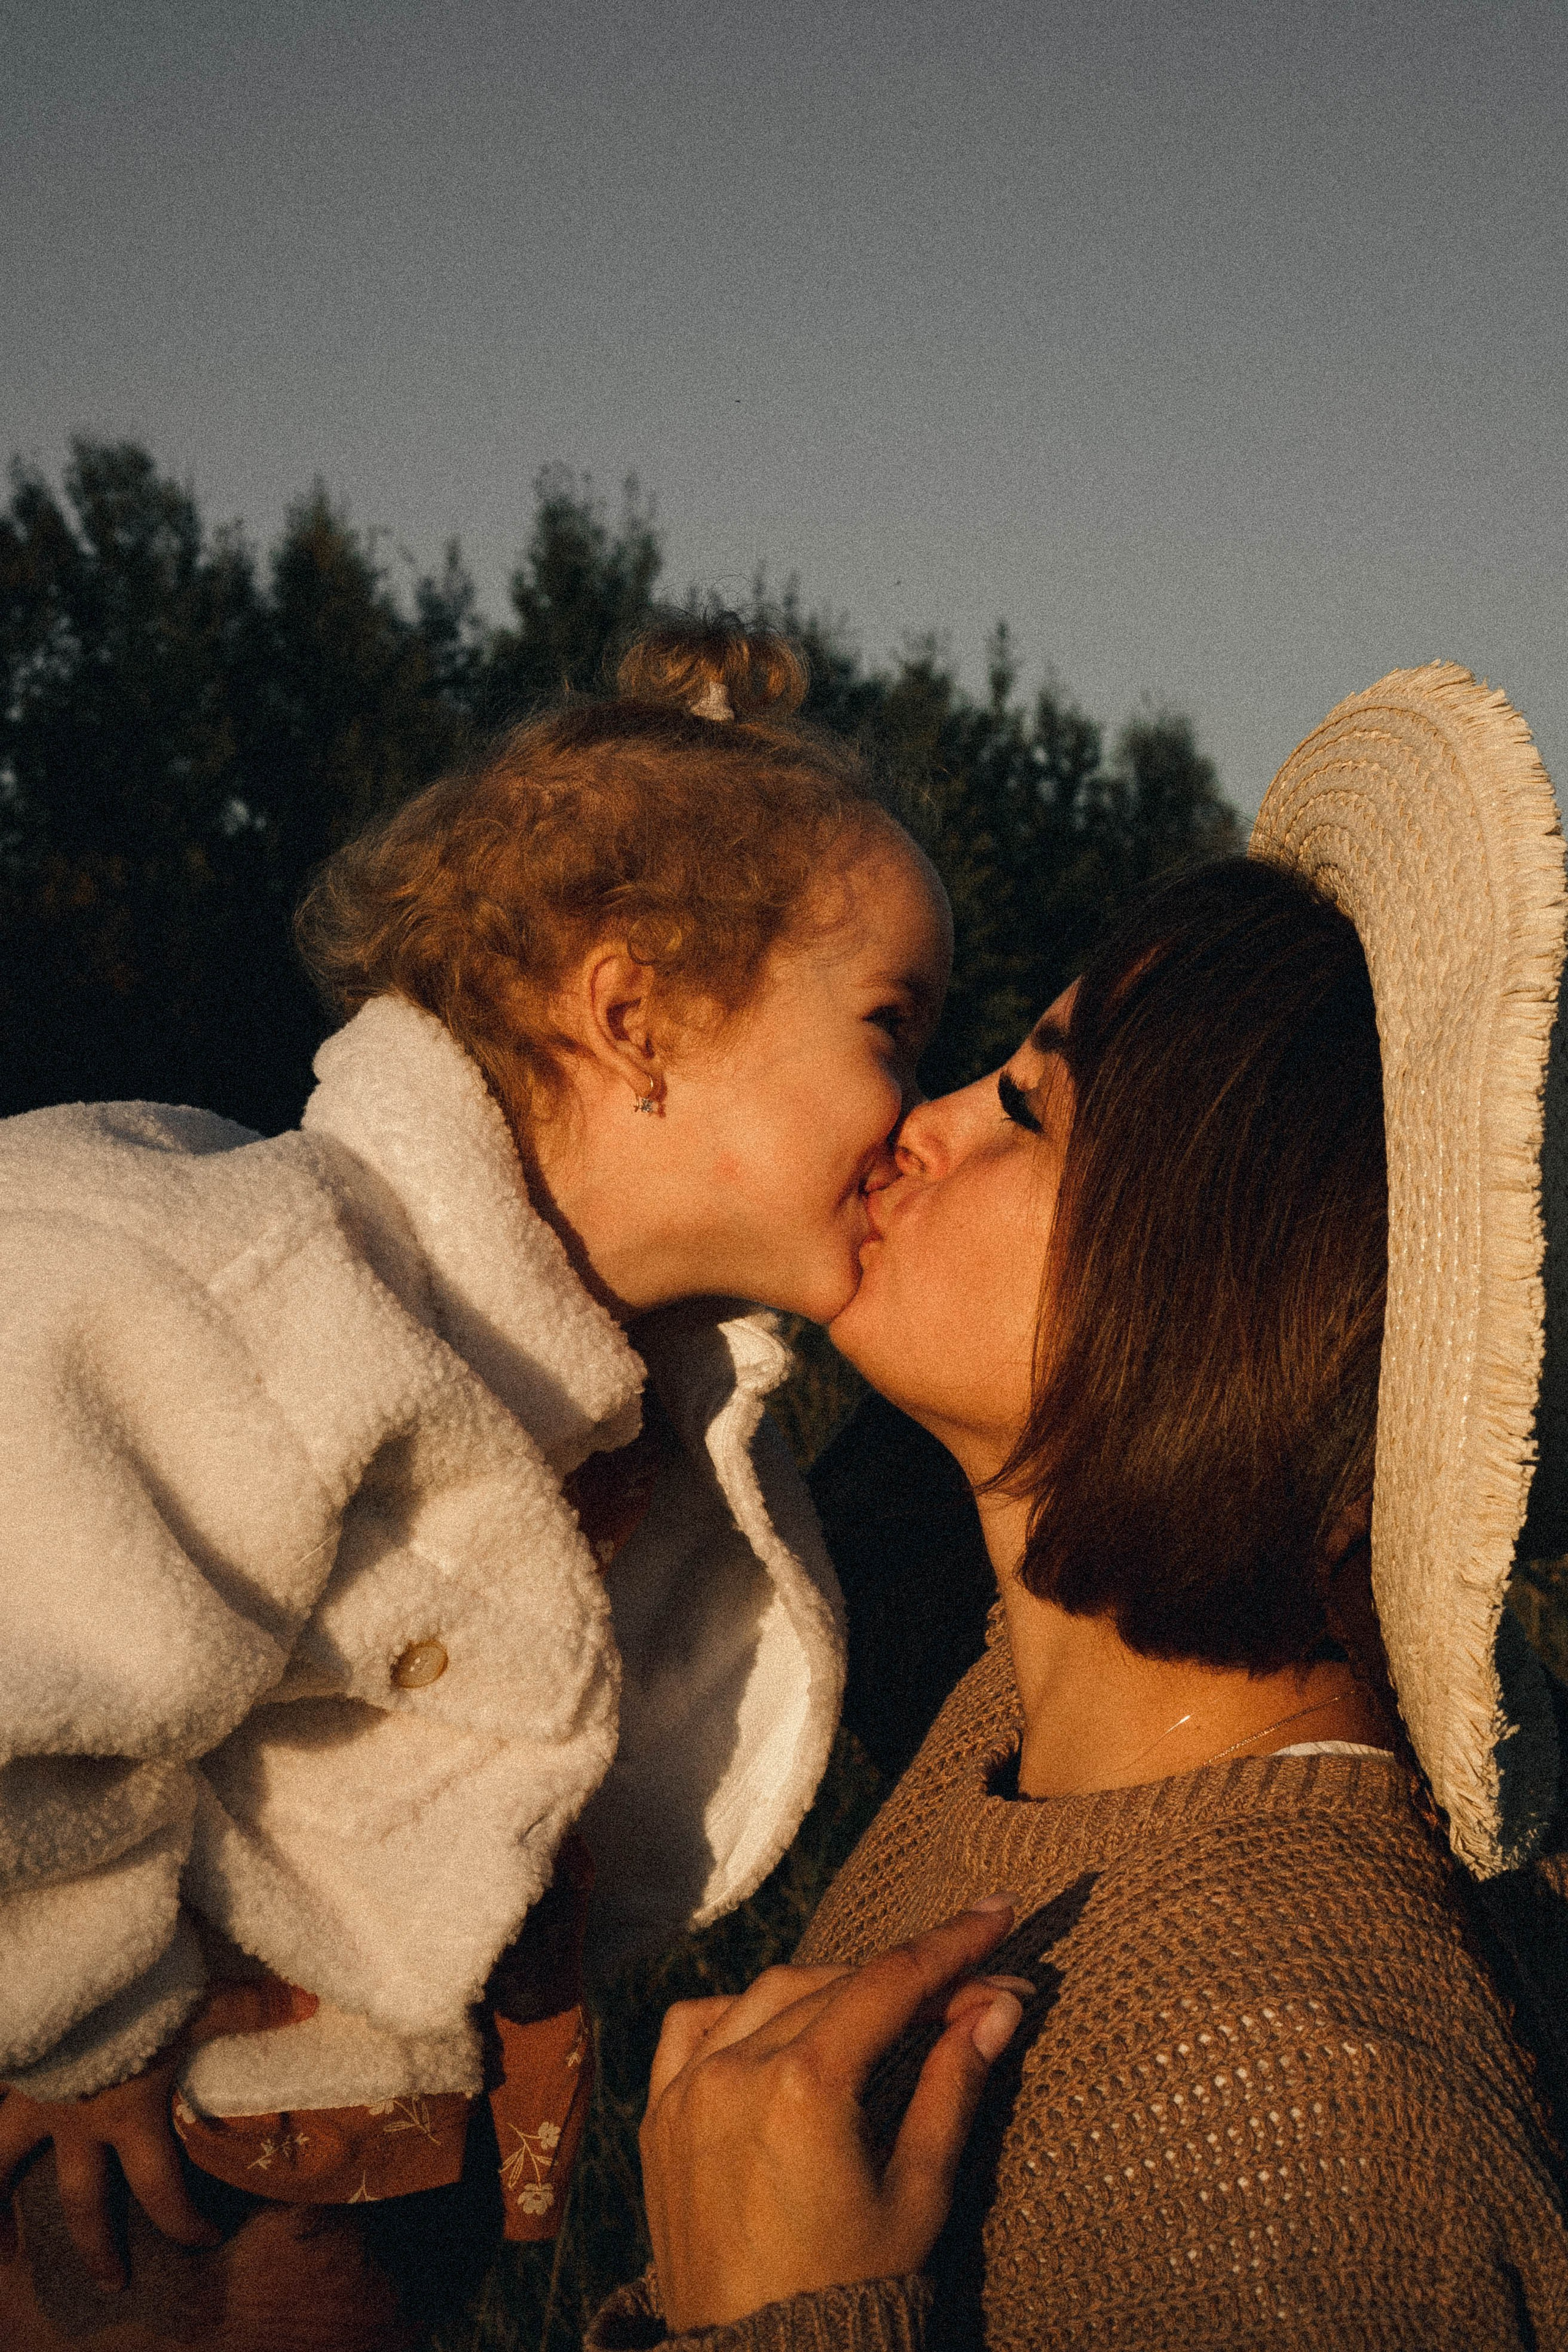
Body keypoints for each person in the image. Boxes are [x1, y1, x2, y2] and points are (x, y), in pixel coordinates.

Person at [0, 618, 953, 2347]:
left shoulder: (626, 1404)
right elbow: (29, 1598)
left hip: (363, 2207)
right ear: (634, 1015)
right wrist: (57, 2014)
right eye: (894, 1025)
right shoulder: (271, 1296)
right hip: (125, 2198)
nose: (920, 1110)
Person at [600, 663, 1568, 2350]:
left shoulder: (1304, 2115)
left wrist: (778, 2326)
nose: (925, 1119)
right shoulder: (1024, 1720)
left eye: (1034, 1108)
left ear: (1223, 1298)